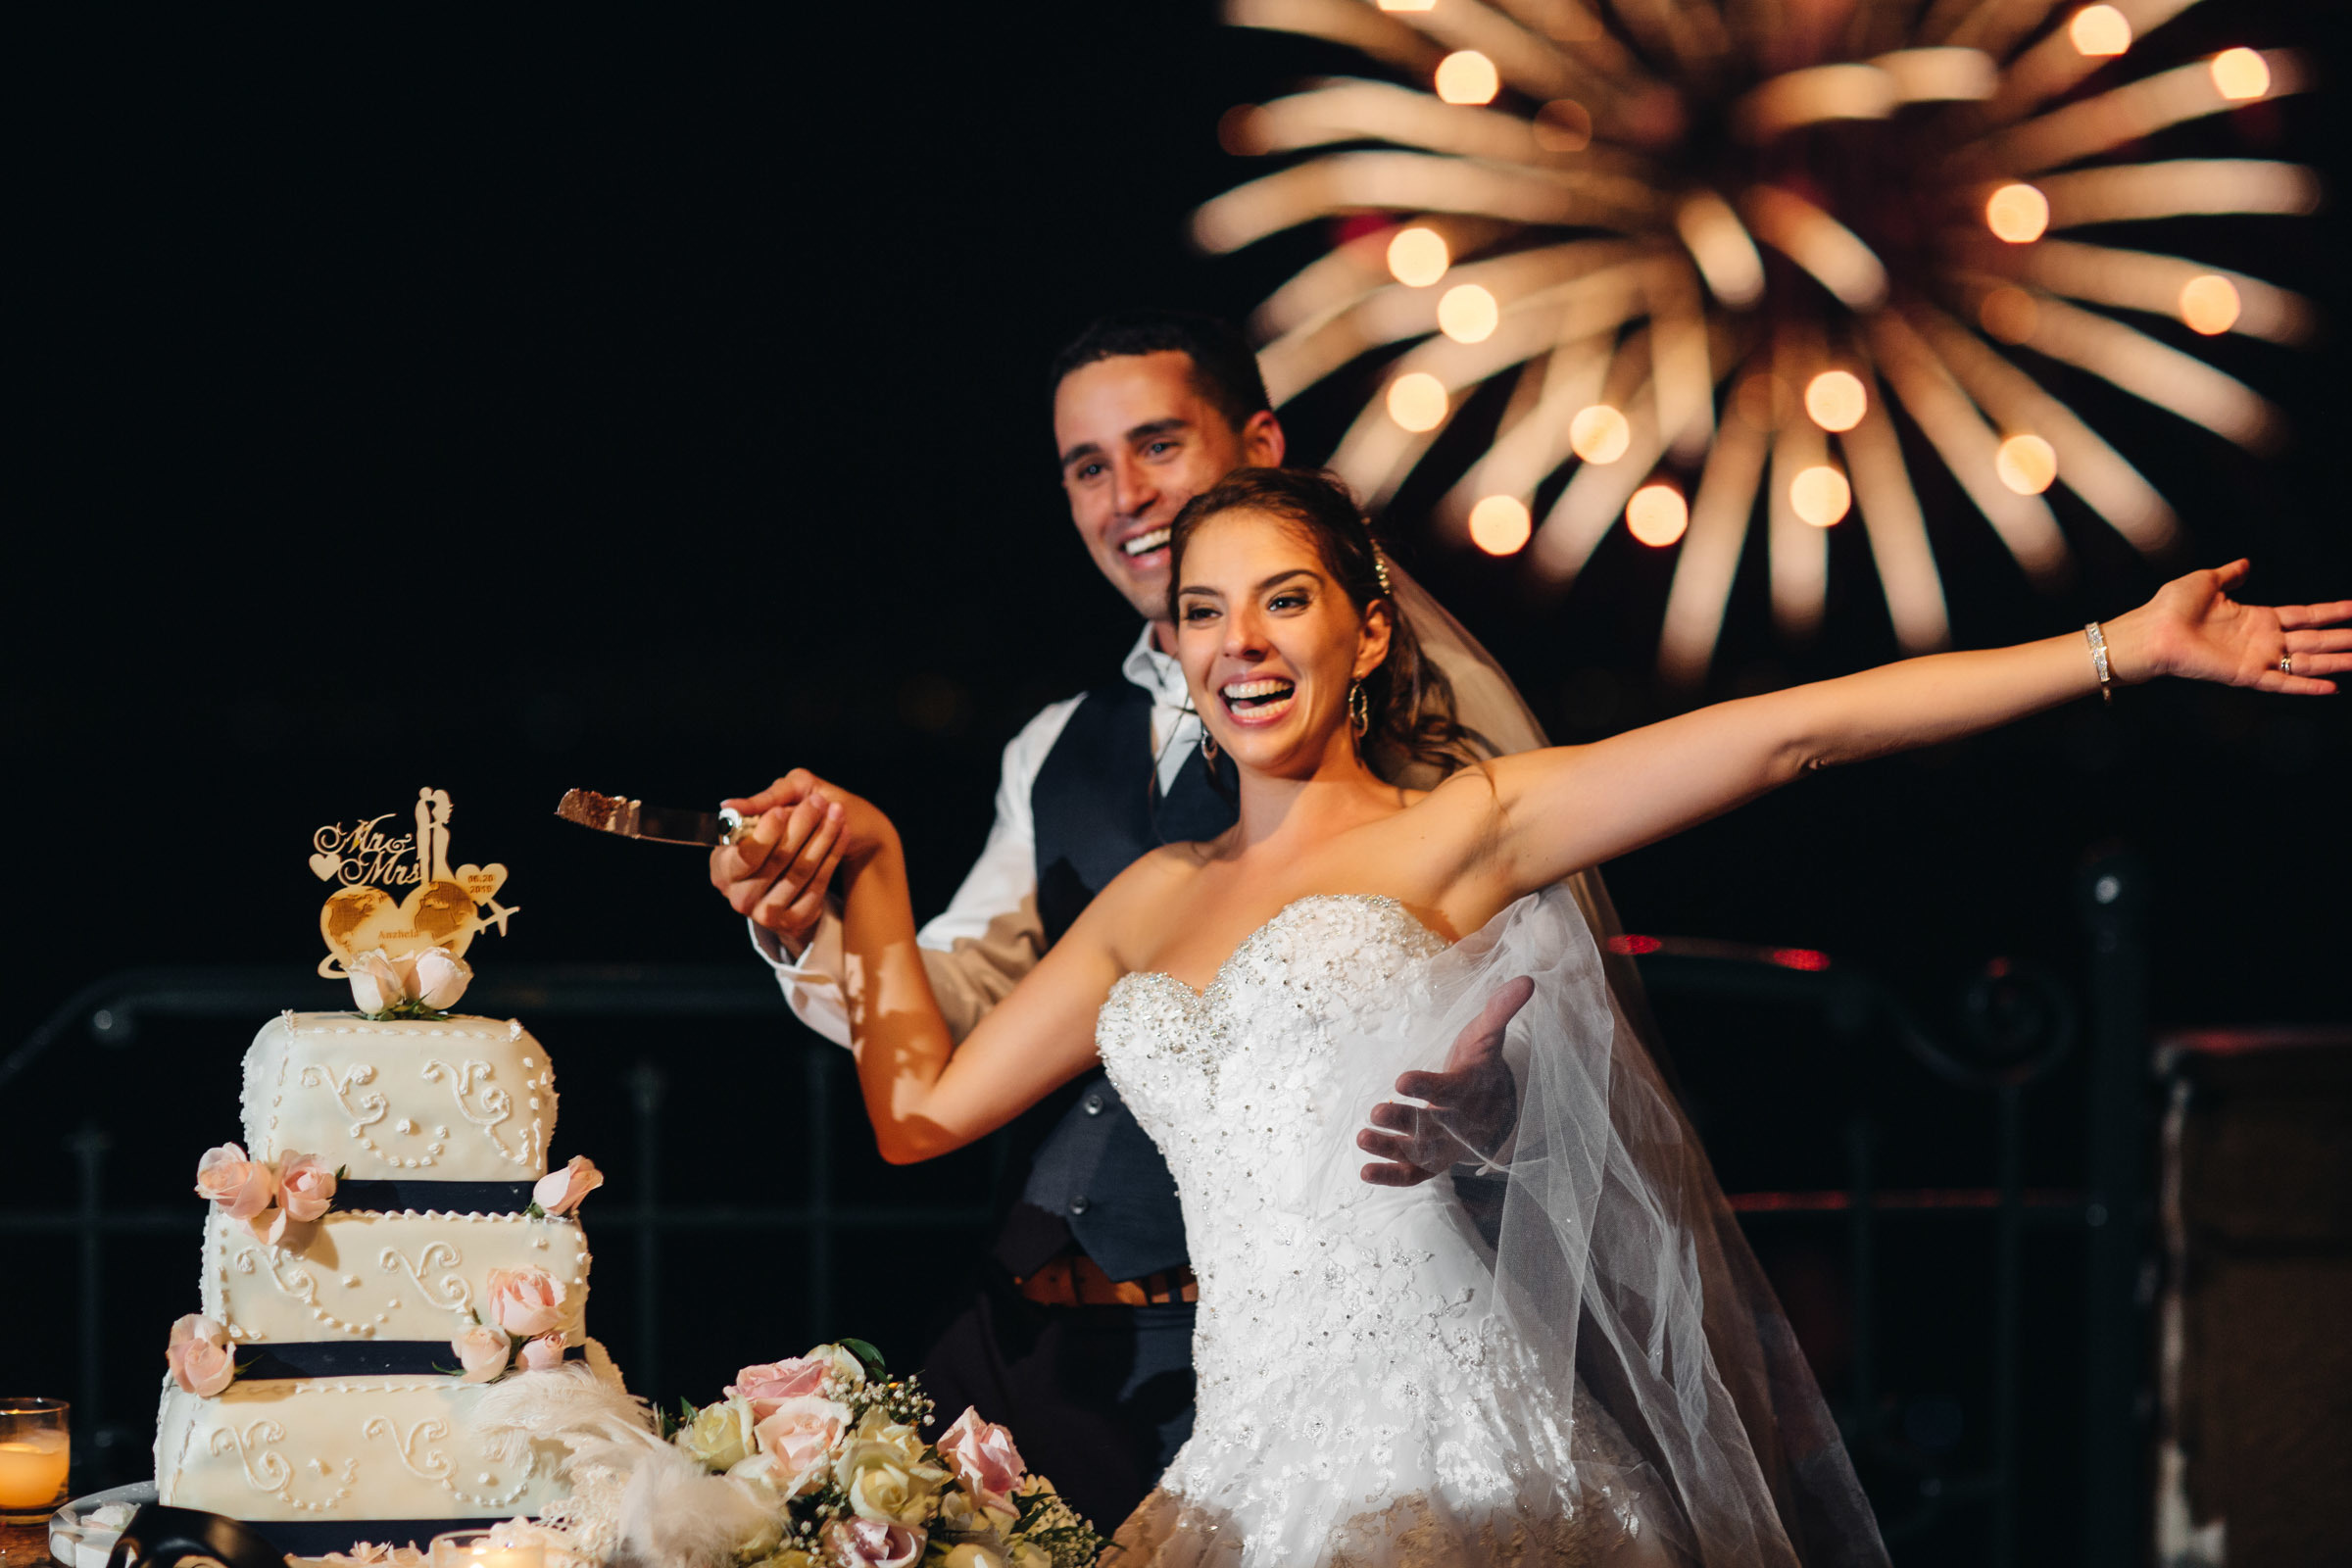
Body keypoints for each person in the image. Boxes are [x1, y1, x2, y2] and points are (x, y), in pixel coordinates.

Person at [792, 468, 2346, 1565]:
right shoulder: (1143, 902)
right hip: (1239, 1474)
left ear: (1369, 632)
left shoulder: (1464, 823)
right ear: (1179, 651)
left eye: (1285, 601)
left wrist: (2121, 649)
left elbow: (1791, 734)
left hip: (1447, 1454)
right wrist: (871, 865)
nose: (1243, 641)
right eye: (1207, 612)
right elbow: (918, 1109)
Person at [707, 314, 1661, 1530]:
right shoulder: (1055, 746)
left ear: (1261, 444)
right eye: (1088, 467)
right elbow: (955, 1015)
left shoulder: (1440, 726)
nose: (1127, 496)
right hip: (1049, 1347)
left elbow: (1539, 998)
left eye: (1157, 444)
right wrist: (819, 919)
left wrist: (1494, 1116)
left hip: (1327, 1354)